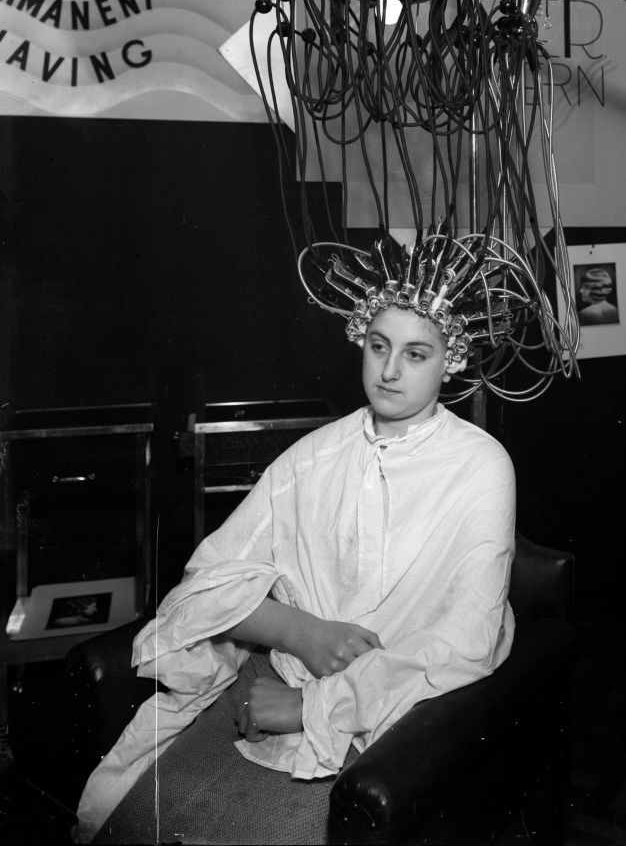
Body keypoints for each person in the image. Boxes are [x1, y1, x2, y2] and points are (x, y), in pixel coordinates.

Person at [75, 238, 517, 845]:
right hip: (275, 680)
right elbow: (205, 583)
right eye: (379, 346)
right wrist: (299, 631)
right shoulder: (316, 455)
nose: (389, 371)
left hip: (405, 713)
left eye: (416, 354)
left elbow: (467, 639)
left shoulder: (481, 465)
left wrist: (312, 708)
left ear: (451, 361)